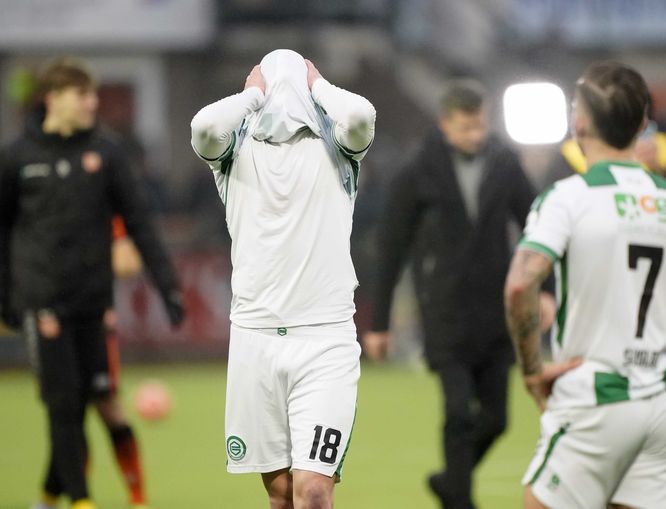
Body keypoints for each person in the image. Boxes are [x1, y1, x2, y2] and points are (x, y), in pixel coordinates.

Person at [504, 61, 666, 508]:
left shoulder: (568, 198)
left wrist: (531, 370)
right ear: (642, 126)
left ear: (579, 125)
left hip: (596, 397)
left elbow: (521, 285)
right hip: (662, 408)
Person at [190, 49, 375, 509]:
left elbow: (360, 115)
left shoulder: (338, 147)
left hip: (324, 340)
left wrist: (318, 87)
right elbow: (203, 127)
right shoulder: (234, 152)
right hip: (255, 339)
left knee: (313, 490)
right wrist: (251, 99)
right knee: (280, 495)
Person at [0, 57, 185, 509]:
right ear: (53, 98)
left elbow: (140, 222)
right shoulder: (18, 158)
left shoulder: (106, 153)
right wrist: (6, 299)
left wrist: (168, 286)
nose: (92, 103)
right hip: (44, 303)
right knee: (64, 405)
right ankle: (81, 501)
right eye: (82, 95)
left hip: (94, 304)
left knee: (89, 401)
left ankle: (49, 498)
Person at [363, 79, 553, 509]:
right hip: (444, 313)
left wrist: (546, 290)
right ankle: (461, 502)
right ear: (444, 124)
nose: (476, 135)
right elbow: (391, 249)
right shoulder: (417, 171)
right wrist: (379, 324)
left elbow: (540, 225)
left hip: (497, 314)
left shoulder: (505, 163)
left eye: (480, 125)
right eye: (467, 127)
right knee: (456, 413)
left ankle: (451, 483)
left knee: (496, 420)